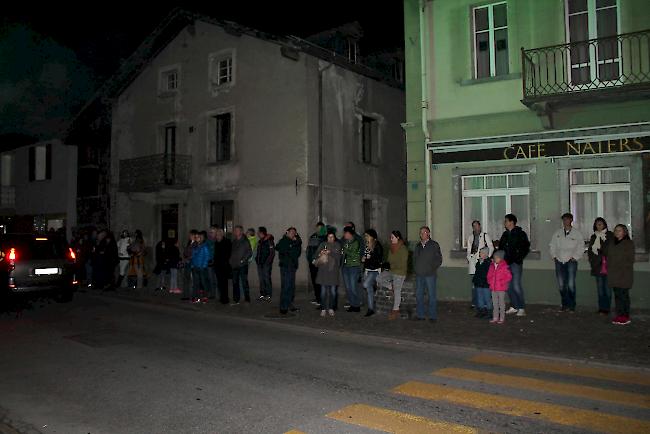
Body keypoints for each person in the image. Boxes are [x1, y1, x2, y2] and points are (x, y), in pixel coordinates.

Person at [549, 213, 585, 312]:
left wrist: (575, 257)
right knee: (561, 284)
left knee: (571, 284)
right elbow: (552, 245)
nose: (565, 221)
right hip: (559, 261)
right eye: (564, 220)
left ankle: (572, 305)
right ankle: (565, 304)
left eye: (567, 219)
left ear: (571, 220)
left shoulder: (577, 233)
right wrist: (554, 256)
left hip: (571, 261)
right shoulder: (558, 233)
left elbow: (581, 246)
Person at [498, 214, 530, 317]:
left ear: (511, 222)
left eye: (506, 221)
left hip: (515, 263)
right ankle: (514, 306)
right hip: (506, 264)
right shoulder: (505, 234)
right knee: (508, 286)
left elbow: (525, 247)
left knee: (516, 285)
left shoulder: (520, 234)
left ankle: (521, 307)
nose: (505, 223)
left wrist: (518, 258)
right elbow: (501, 248)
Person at [413, 226, 443, 321]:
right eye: (420, 233)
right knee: (419, 295)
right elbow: (414, 259)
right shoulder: (418, 246)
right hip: (419, 274)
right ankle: (420, 315)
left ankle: (432, 316)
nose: (421, 234)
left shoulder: (434, 245)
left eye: (424, 232)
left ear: (428, 233)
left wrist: (431, 268)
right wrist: (416, 268)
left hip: (430, 274)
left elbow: (439, 259)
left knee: (432, 295)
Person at [378, 230, 409, 320]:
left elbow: (402, 263)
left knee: (397, 290)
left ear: (397, 237)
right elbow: (389, 260)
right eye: (390, 237)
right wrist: (387, 266)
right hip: (392, 271)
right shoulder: (391, 248)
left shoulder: (403, 248)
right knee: (379, 278)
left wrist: (392, 265)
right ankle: (390, 286)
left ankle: (395, 310)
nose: (391, 239)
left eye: (392, 237)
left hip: (400, 272)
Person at [607, 224, 635, 325]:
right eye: (616, 230)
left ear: (624, 232)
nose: (617, 232)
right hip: (614, 274)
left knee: (624, 295)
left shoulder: (628, 243)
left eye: (619, 230)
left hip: (623, 274)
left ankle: (625, 315)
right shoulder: (612, 243)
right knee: (617, 295)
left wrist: (618, 264)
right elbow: (609, 256)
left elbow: (630, 259)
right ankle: (619, 314)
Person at [588, 218, 613, 315]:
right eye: (597, 224)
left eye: (601, 224)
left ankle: (607, 308)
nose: (599, 226)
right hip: (597, 266)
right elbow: (591, 251)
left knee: (607, 288)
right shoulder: (594, 236)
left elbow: (610, 249)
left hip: (608, 265)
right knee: (600, 288)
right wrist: (592, 261)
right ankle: (601, 308)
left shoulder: (610, 235)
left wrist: (602, 250)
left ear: (604, 225)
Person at [314, 229, 342, 317]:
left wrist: (331, 252)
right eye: (329, 237)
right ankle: (323, 308)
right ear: (326, 238)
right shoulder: (322, 244)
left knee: (333, 292)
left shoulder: (337, 245)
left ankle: (331, 308)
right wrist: (320, 253)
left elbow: (339, 257)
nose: (330, 238)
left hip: (333, 272)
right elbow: (315, 255)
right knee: (323, 292)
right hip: (323, 272)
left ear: (334, 237)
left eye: (332, 237)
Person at [466, 220, 494, 308]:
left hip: (483, 262)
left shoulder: (485, 236)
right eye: (474, 226)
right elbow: (469, 250)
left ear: (480, 226)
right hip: (474, 262)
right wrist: (470, 258)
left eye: (477, 226)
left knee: (483, 283)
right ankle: (475, 302)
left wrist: (486, 257)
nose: (475, 228)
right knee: (475, 283)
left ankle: (485, 303)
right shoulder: (470, 237)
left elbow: (491, 247)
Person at [276, 227, 302, 315]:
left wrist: (294, 244)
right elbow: (280, 248)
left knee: (291, 287)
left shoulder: (295, 242)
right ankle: (283, 307)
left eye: (294, 232)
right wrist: (291, 247)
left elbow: (297, 252)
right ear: (287, 232)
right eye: (291, 232)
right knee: (286, 287)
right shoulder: (283, 240)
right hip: (285, 267)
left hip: (292, 267)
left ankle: (290, 304)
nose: (293, 234)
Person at [361, 229, 383, 317]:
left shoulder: (377, 245)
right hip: (367, 269)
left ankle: (374, 286)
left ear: (372, 236)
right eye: (365, 236)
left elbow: (378, 259)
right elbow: (366, 258)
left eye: (367, 236)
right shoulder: (367, 245)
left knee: (366, 285)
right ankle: (371, 308)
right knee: (369, 289)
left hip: (375, 270)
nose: (366, 238)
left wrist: (370, 257)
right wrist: (364, 259)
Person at [230, 225, 253, 305]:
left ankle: (247, 299)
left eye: (237, 230)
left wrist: (243, 260)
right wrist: (231, 261)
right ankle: (236, 299)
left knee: (244, 282)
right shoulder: (234, 241)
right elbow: (232, 252)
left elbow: (249, 252)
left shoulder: (245, 241)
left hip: (243, 265)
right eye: (235, 230)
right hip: (234, 265)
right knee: (235, 282)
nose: (235, 232)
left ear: (241, 231)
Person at [342, 226, 363, 313]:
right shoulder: (345, 242)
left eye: (345, 233)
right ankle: (352, 304)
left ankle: (357, 305)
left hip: (354, 267)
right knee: (348, 287)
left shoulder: (356, 242)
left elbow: (353, 254)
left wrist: (345, 250)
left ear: (350, 234)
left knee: (353, 287)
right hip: (345, 267)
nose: (344, 235)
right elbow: (343, 251)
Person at [487, 250, 512, 324]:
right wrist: (490, 281)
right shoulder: (492, 266)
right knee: (494, 303)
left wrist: (502, 282)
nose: (495, 259)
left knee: (501, 303)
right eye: (494, 257)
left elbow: (509, 277)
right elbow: (489, 275)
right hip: (493, 288)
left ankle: (502, 318)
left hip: (501, 288)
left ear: (501, 258)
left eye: (497, 258)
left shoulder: (504, 266)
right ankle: (495, 317)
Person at [306, 222, 327, 307]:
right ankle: (317, 297)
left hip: (320, 263)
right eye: (317, 228)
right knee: (314, 281)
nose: (318, 230)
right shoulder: (313, 236)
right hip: (312, 263)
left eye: (320, 228)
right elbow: (309, 249)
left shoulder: (325, 237)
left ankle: (322, 299)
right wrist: (309, 259)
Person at [191, 231, 211, 303]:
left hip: (201, 268)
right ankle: (196, 297)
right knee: (196, 283)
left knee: (203, 283)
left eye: (198, 237)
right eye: (196, 237)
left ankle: (205, 297)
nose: (197, 238)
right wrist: (192, 265)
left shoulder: (205, 246)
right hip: (195, 267)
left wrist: (203, 266)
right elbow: (193, 256)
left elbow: (207, 257)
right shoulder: (195, 246)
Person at [256, 226, 275, 301]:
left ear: (261, 232)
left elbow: (272, 253)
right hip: (260, 264)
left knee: (267, 279)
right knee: (261, 280)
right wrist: (257, 260)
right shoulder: (260, 241)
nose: (257, 233)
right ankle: (262, 295)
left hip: (266, 264)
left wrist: (267, 263)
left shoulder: (269, 240)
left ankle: (268, 295)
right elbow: (258, 252)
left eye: (258, 231)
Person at [472, 247, 492, 318]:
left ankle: (489, 312)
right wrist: (475, 281)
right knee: (480, 298)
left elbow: (489, 274)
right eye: (480, 253)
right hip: (479, 283)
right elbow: (477, 273)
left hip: (486, 284)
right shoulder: (478, 262)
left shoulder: (489, 263)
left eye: (482, 253)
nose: (480, 254)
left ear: (486, 254)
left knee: (487, 298)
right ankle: (481, 311)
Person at [213, 228, 232, 304]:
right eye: (216, 235)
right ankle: (222, 297)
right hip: (217, 266)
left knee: (224, 283)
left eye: (218, 234)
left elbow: (228, 254)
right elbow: (216, 254)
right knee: (220, 283)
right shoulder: (216, 243)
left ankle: (225, 298)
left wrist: (226, 263)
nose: (217, 236)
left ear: (222, 234)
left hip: (224, 266)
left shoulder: (227, 242)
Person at [181, 230, 198, 301]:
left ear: (194, 235)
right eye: (189, 235)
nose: (189, 236)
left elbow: (195, 254)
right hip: (187, 263)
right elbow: (185, 252)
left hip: (192, 264)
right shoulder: (189, 243)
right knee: (186, 279)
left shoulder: (196, 244)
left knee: (193, 280)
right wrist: (185, 257)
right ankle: (186, 295)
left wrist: (189, 258)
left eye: (190, 235)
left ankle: (194, 295)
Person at [206, 226, 218, 299]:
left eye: (213, 232)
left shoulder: (218, 240)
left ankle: (218, 294)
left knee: (217, 279)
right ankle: (212, 294)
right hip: (209, 263)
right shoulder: (207, 241)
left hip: (217, 263)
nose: (211, 234)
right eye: (210, 232)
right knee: (210, 279)